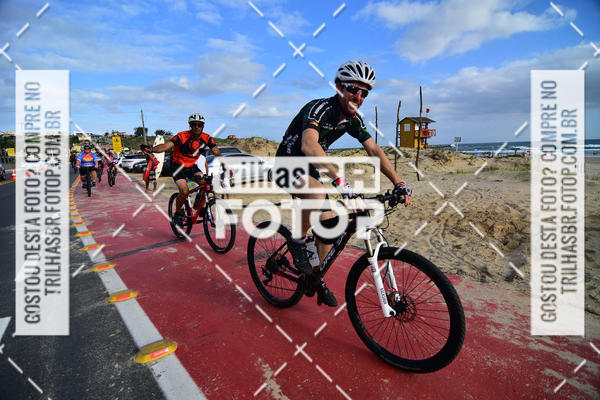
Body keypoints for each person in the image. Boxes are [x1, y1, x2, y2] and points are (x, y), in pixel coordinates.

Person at [274, 60, 412, 307]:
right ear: (338, 86)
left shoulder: (352, 119)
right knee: (317, 194)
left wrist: (398, 182)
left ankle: (314, 277)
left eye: (364, 93)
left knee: (329, 229)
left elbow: (374, 150)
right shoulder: (319, 108)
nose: (358, 97)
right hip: (286, 164)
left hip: (310, 170)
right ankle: (296, 241)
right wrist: (341, 182)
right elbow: (309, 145)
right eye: (352, 89)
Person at [151, 113, 225, 223]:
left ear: (203, 126)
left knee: (205, 184)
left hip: (191, 166)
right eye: (194, 124)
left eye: (199, 125)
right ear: (190, 125)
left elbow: (216, 152)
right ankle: (177, 213)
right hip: (177, 166)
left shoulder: (206, 138)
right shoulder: (182, 136)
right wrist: (152, 149)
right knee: (184, 191)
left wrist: (225, 166)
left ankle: (198, 207)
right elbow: (166, 146)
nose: (196, 127)